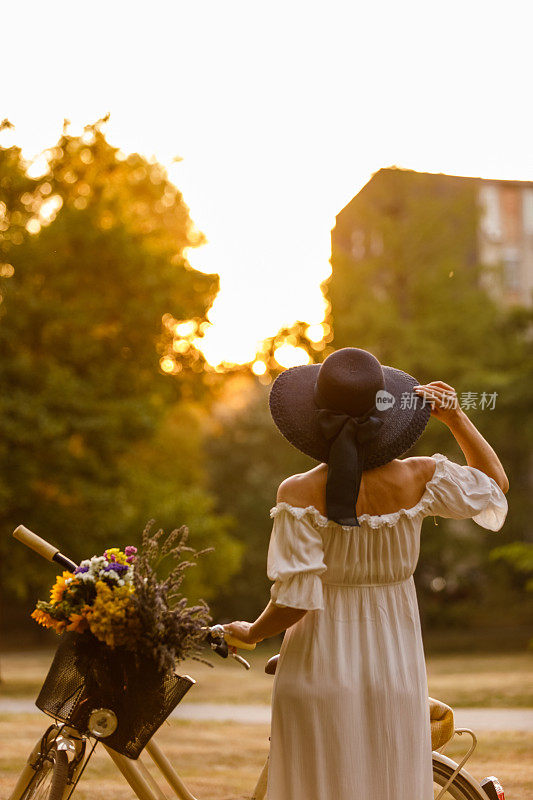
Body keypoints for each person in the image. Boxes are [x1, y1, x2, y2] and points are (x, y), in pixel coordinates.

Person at [224, 347, 509, 800]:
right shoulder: (421, 477)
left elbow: (295, 600)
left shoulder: (298, 492)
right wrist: (456, 418)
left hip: (317, 661)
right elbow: (494, 483)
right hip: (394, 662)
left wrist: (253, 632)